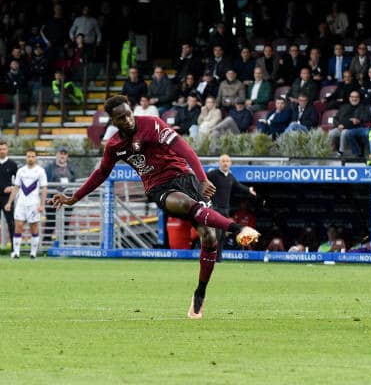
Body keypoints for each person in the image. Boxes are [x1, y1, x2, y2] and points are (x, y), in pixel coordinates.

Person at [48, 95, 260, 319]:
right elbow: (101, 173)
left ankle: (200, 293)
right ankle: (238, 229)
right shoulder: (114, 145)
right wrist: (73, 198)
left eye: (129, 114)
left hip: (185, 178)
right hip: (158, 188)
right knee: (185, 204)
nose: (128, 120)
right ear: (113, 121)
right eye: (121, 118)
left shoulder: (152, 124)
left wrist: (202, 178)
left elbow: (185, 149)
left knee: (209, 237)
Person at [206, 155, 256, 260]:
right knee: (217, 234)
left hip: (225, 210)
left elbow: (238, 186)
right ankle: (212, 257)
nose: (225, 163)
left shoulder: (230, 177)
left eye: (227, 161)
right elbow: (202, 178)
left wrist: (249, 190)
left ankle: (218, 258)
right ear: (219, 163)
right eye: (223, 161)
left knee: (223, 235)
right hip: (215, 209)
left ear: (230, 163)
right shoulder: (213, 174)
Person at [5, 149, 48, 259]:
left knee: (34, 228)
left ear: (35, 158)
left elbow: (44, 188)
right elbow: (16, 187)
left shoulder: (40, 171)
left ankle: (33, 253)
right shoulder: (21, 171)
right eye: (29, 156)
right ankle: (16, 253)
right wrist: (9, 202)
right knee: (18, 226)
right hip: (21, 204)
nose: (30, 159)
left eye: (33, 156)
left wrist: (42, 205)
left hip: (34, 204)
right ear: (26, 157)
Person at [44, 146, 76, 242]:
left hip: (67, 199)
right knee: (50, 221)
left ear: (67, 156)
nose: (62, 156)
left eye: (64, 154)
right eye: (60, 153)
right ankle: (46, 242)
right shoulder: (49, 168)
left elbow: (74, 182)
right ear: (57, 155)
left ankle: (64, 242)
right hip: (52, 199)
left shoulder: (71, 168)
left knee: (66, 222)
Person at [0, 140, 18, 246]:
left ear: (7, 150)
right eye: (0, 149)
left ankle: (14, 249)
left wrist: (11, 187)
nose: (2, 151)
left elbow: (19, 182)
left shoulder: (12, 164)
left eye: (4, 149)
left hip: (7, 199)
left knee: (11, 223)